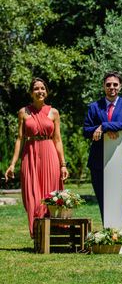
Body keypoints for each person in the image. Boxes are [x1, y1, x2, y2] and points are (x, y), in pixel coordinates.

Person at [4, 78, 69, 238]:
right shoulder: (23, 112)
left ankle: (50, 232)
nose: (40, 91)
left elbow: (58, 139)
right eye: (36, 89)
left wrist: (63, 164)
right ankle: (37, 232)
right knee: (31, 194)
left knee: (50, 192)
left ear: (46, 92)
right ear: (31, 93)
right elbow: (20, 139)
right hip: (30, 155)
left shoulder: (54, 112)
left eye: (42, 88)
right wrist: (12, 164)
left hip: (50, 154)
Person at [83, 72, 122, 233]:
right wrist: (103, 128)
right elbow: (86, 130)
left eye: (115, 84)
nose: (112, 87)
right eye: (108, 84)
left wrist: (105, 127)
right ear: (104, 86)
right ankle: (110, 234)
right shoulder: (94, 107)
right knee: (104, 199)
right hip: (98, 160)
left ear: (120, 86)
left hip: (121, 160)